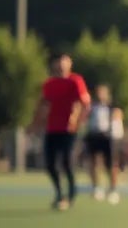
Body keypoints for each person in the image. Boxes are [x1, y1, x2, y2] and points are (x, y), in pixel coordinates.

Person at [31, 53, 89, 210]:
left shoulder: (75, 81)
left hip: (69, 130)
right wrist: (34, 125)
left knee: (66, 161)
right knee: (49, 164)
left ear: (69, 64)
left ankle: (71, 194)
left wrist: (78, 121)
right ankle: (59, 193)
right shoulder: (50, 84)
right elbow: (42, 105)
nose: (61, 66)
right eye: (59, 63)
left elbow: (85, 103)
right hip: (52, 128)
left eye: (65, 63)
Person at [82, 84, 125, 204]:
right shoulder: (92, 107)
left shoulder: (113, 107)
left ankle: (113, 189)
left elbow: (118, 117)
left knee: (111, 164)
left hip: (109, 138)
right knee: (93, 162)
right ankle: (96, 188)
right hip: (95, 136)